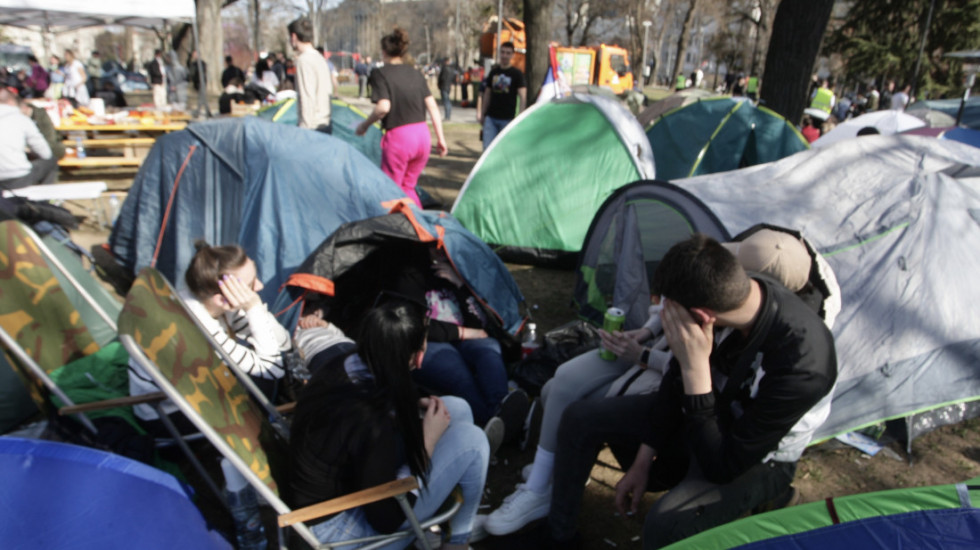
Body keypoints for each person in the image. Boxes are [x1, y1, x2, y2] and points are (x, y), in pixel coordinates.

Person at [485, 229, 830, 537]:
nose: (661, 316)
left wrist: (696, 369)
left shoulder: (801, 365)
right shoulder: (733, 294)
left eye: (669, 311)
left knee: (667, 525)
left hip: (756, 454)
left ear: (702, 317)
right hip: (710, 411)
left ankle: (773, 494)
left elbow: (723, 464)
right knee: (580, 417)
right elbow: (673, 387)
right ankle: (558, 531)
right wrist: (642, 460)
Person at [289, 298, 489, 550]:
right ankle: (457, 543)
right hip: (338, 531)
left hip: (346, 489)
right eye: (421, 349)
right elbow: (386, 519)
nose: (421, 360)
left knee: (457, 409)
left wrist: (415, 403)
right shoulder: (369, 419)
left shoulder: (344, 363)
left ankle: (443, 529)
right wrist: (427, 443)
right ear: (413, 358)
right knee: (472, 442)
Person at [129, 241, 293, 435]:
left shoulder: (204, 296)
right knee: (263, 379)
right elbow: (272, 369)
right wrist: (254, 307)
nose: (260, 286)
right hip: (168, 414)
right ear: (222, 299)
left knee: (262, 366)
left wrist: (253, 310)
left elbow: (283, 341)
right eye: (251, 284)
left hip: (194, 389)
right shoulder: (196, 329)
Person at [356, 27, 447, 208]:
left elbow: (383, 107)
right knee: (408, 187)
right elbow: (433, 107)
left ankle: (395, 232)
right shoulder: (416, 73)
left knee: (391, 190)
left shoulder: (380, 73)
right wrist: (441, 139)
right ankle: (418, 227)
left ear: (383, 51)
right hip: (422, 136)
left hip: (400, 138)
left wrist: (364, 125)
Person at [0, 88, 56, 190]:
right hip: (18, 176)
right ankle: (43, 200)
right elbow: (45, 153)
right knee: (51, 161)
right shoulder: (21, 119)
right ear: (11, 101)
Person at [478, 41, 526, 150]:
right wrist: (482, 113)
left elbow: (523, 96)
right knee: (487, 149)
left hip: (507, 119)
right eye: (503, 52)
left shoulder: (517, 74)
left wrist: (520, 117)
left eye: (508, 53)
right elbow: (487, 94)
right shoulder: (493, 73)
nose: (505, 55)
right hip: (491, 118)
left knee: (504, 150)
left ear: (512, 55)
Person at [288, 17, 332, 132]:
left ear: (293, 36)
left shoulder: (304, 61)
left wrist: (304, 133)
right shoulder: (320, 58)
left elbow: (307, 97)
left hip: (312, 127)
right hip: (325, 122)